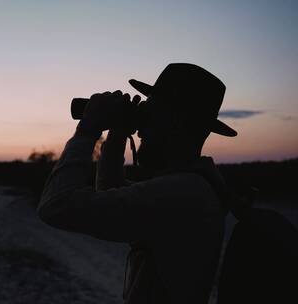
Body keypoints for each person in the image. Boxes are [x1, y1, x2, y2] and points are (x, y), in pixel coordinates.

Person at [37, 63, 238, 303]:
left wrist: (87, 129)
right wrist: (118, 132)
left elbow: (56, 206)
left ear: (175, 121)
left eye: (150, 112)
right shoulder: (193, 187)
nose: (141, 128)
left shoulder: (182, 192)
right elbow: (110, 193)